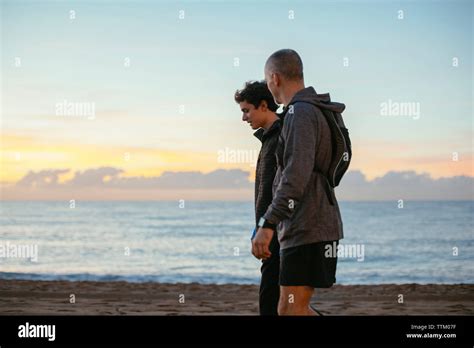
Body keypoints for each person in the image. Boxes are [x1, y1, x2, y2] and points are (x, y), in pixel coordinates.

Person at [254, 49, 345, 316]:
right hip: (316, 221)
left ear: (274, 78)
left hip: (307, 224)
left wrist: (268, 223)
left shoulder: (300, 113)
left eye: (267, 80)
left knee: (291, 310)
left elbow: (295, 176)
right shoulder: (318, 109)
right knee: (290, 308)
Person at [234, 81, 281, 315]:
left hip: (282, 236)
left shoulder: (283, 136)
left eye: (246, 110)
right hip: (270, 234)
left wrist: (267, 227)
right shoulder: (268, 138)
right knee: (284, 307)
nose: (244, 118)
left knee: (276, 307)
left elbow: (287, 189)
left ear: (264, 105)